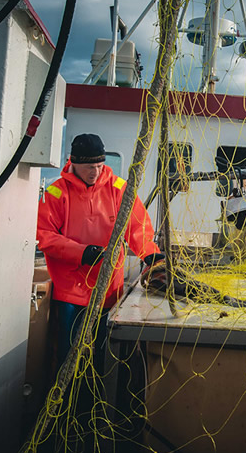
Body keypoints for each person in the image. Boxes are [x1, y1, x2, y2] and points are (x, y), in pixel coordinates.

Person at [37, 133, 166, 362]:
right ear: (73, 162)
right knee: (68, 355)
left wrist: (150, 254)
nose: (94, 171)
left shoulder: (119, 189)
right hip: (70, 292)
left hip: (108, 290)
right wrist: (82, 252)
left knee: (101, 357)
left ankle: (94, 398)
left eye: (99, 165)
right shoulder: (56, 193)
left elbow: (137, 226)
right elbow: (44, 235)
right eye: (88, 166)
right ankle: (66, 399)